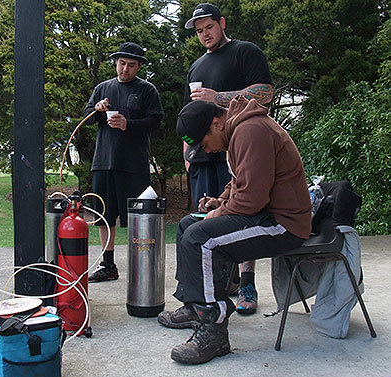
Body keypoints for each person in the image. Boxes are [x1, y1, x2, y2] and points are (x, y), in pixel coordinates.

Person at [157, 98, 311, 364]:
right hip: (265, 215)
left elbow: (251, 199)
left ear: (216, 124)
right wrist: (221, 200)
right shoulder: (239, 130)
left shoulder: (251, 130)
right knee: (187, 226)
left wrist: (217, 213)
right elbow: (241, 181)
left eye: (204, 144)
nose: (207, 150)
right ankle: (195, 306)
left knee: (200, 238)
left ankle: (214, 330)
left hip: (283, 224)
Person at [183, 2, 274, 314]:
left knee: (244, 213)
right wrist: (186, 150)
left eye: (209, 27)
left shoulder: (245, 52)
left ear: (222, 23)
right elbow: (188, 115)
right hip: (202, 153)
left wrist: (217, 97)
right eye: (199, 31)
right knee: (206, 215)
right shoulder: (196, 68)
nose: (205, 34)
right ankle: (217, 287)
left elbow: (265, 94)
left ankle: (247, 282)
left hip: (238, 144)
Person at [83, 42, 164, 282]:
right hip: (104, 161)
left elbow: (155, 121)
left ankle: (141, 266)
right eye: (121, 63)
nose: (125, 69)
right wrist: (97, 110)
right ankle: (108, 266)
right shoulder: (102, 88)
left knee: (138, 218)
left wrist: (128, 124)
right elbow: (87, 118)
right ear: (115, 62)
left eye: (131, 65)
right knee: (104, 217)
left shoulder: (147, 90)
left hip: (134, 164)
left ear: (139, 66)